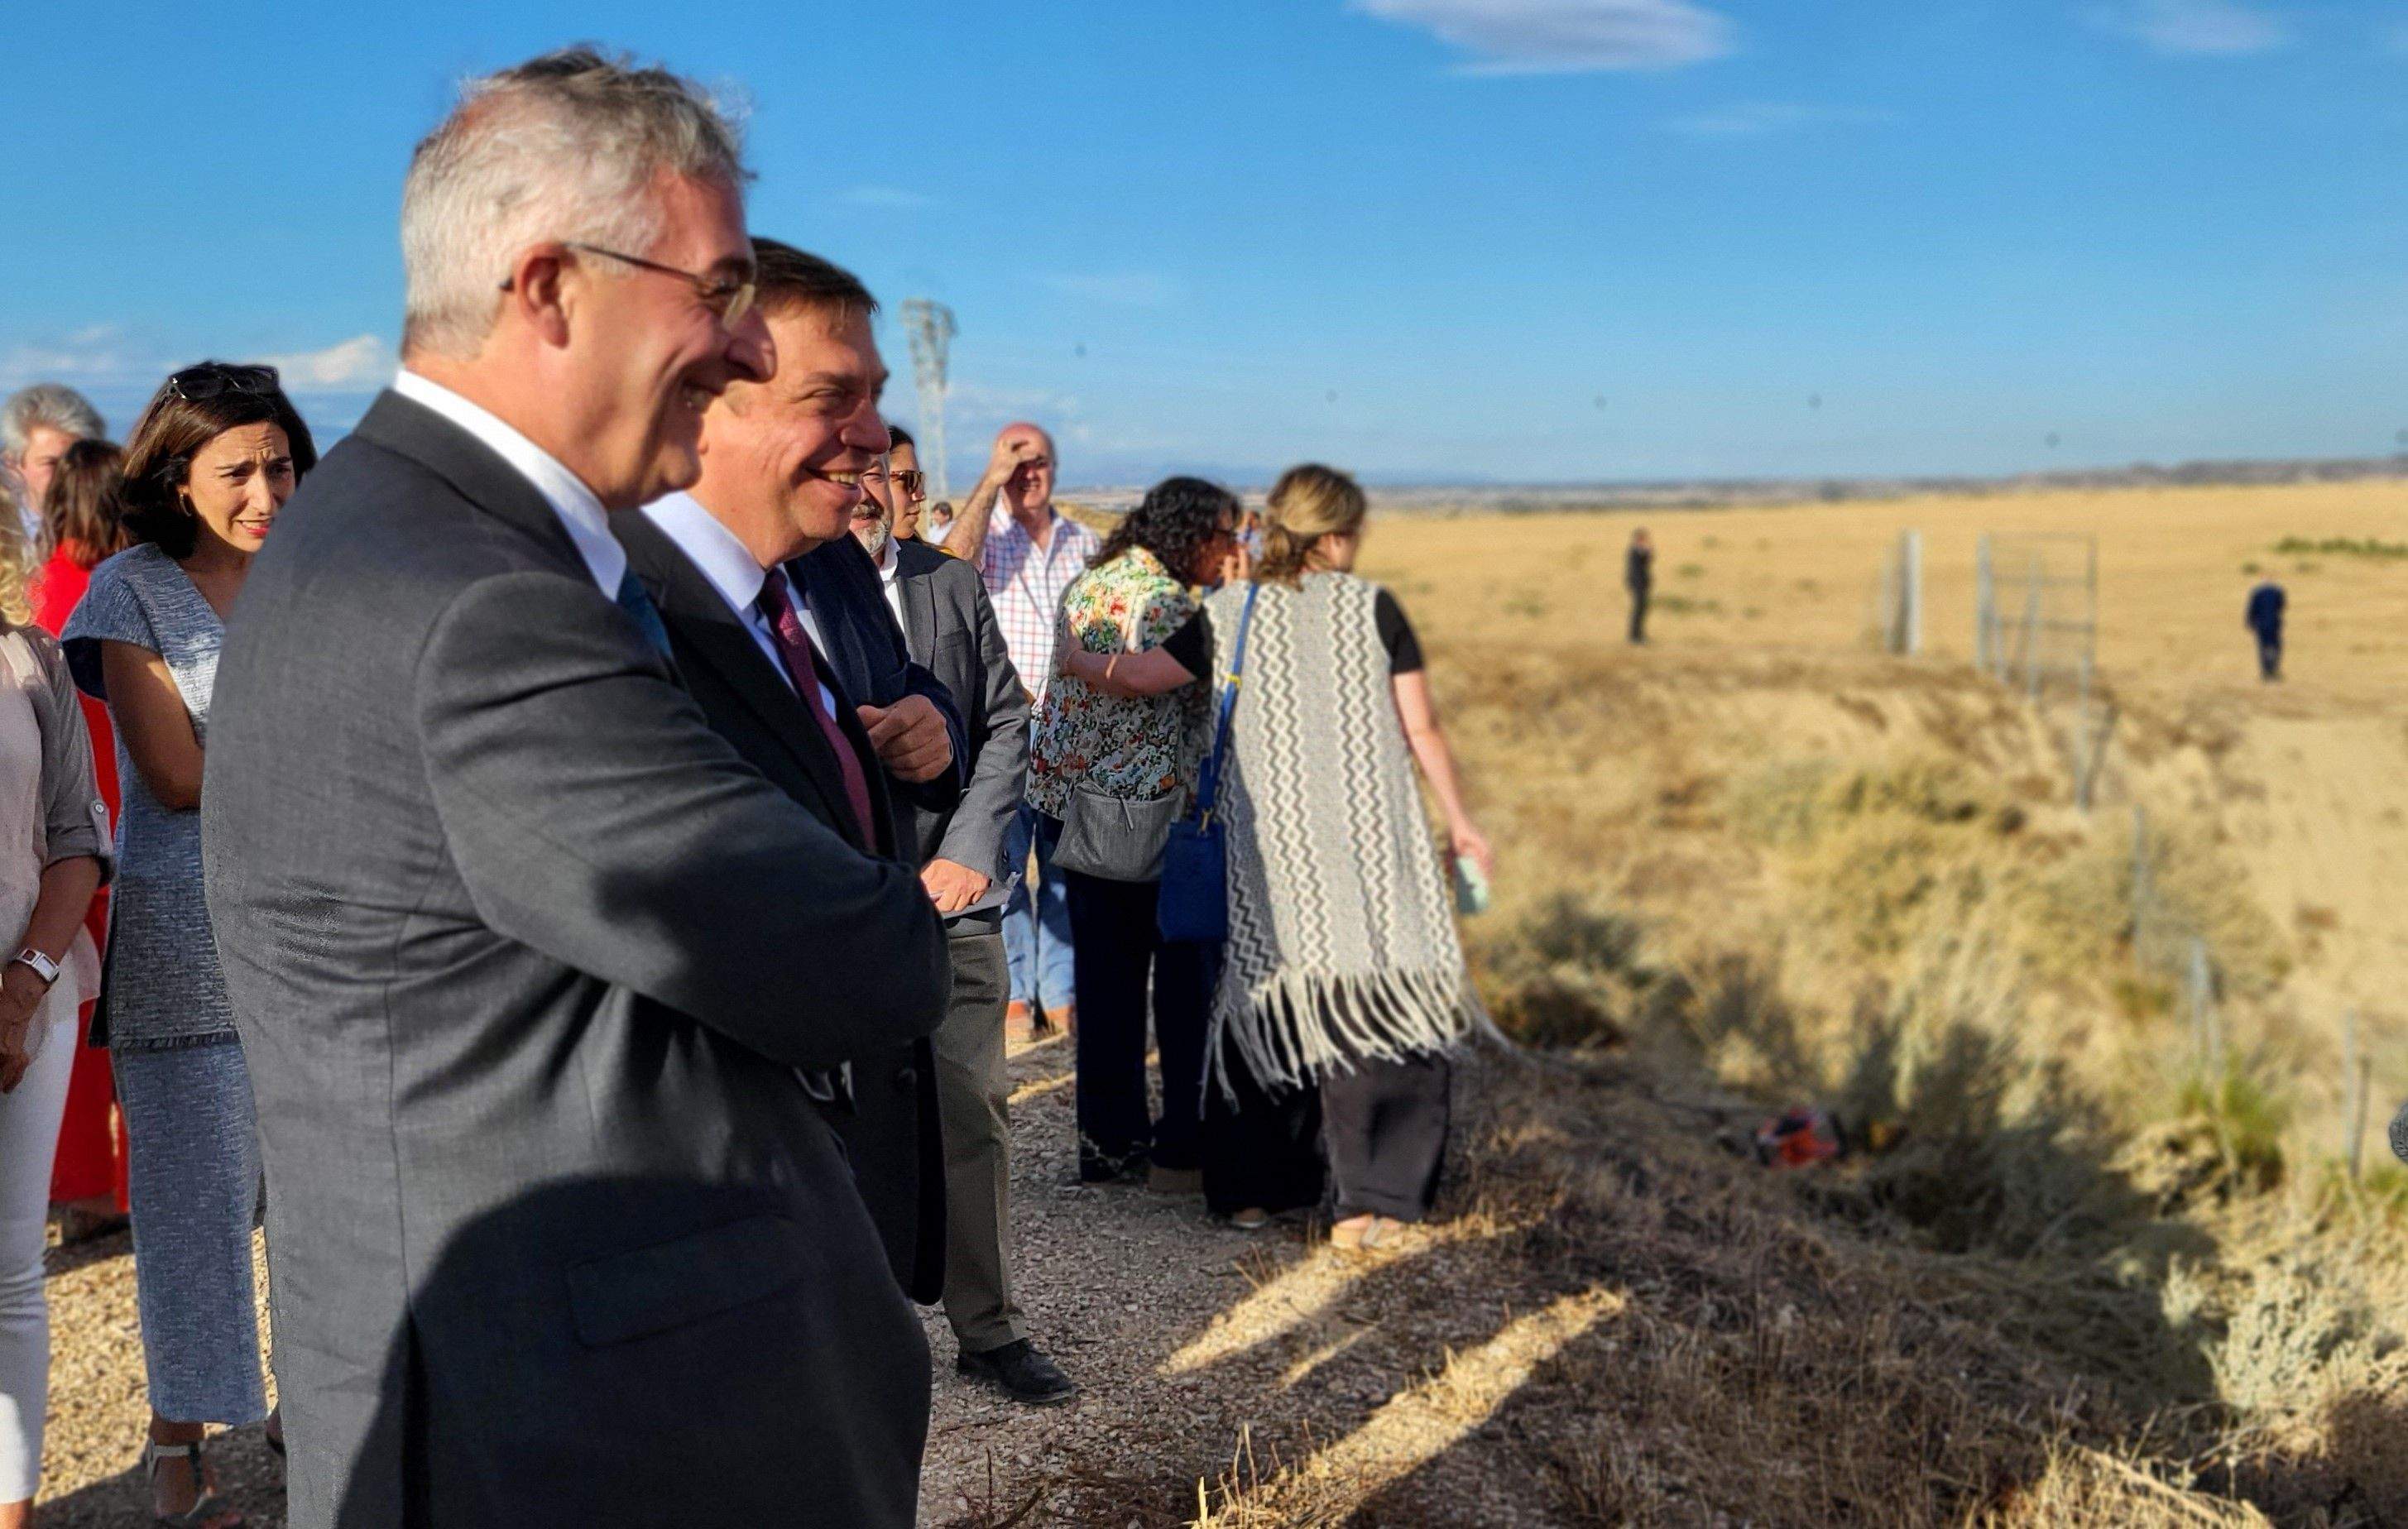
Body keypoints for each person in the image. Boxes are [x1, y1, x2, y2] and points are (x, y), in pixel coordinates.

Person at [199, 50, 950, 1527]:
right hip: (580, 1433)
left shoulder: (384, 523)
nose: (744, 351)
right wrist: (896, 905)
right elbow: (851, 958)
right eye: (719, 293)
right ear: (548, 286)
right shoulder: (481, 601)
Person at [613, 240, 963, 1310]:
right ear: (706, 403)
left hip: (841, 1176)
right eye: (832, 397)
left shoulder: (819, 567)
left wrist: (929, 728)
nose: (869, 437)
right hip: (722, 1217)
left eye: (875, 399)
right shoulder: (609, 606)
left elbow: (901, 690)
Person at [1060, 465, 1492, 1245]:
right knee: (1372, 997)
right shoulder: (1374, 607)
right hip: (1367, 839)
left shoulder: (1231, 611)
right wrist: (1462, 821)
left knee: (1263, 1001)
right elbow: (1421, 728)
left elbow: (1140, 676)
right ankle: (1374, 1205)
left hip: (1269, 847)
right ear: (1334, 535)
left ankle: (1254, 1193)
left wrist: (1081, 659)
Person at [64, 364, 312, 1527]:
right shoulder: (129, 590)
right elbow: (173, 777)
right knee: (197, 1209)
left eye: (280, 465)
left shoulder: (320, 581)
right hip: (189, 942)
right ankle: (179, 1442)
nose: (267, 490)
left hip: (324, 942)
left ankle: (312, 1408)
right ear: (176, 479)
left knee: (322, 1201)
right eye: (238, 472)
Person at [851, 429, 1077, 1404]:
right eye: (856, 471)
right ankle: (859, 1334)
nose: (870, 492)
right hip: (838, 910)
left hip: (954, 908)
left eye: (889, 478)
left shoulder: (948, 585)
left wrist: (967, 852)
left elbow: (1005, 722)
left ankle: (988, 1331)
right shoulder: (783, 595)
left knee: (976, 1111)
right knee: (847, 1128)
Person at [1027, 477, 1243, 1189]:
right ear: (1191, 536)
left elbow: (1070, 699)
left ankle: (1109, 1148)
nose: (1232, 551)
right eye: (1224, 536)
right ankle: (1180, 1147)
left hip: (1075, 813)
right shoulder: (1175, 605)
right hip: (1154, 825)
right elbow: (1149, 683)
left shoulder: (1090, 584)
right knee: (1181, 983)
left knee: (1106, 985)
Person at [0, 505, 112, 1529]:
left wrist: (25, 983)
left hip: (26, 1003)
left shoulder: (32, 659)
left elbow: (80, 832)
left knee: (10, 1274)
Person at [947, 423, 1096, 1038]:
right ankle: (1015, 995)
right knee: (1003, 870)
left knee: (1066, 872)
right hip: (1003, 733)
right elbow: (950, 565)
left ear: (1056, 468)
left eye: (1037, 462)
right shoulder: (985, 538)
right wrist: (991, 480)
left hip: (1074, 737)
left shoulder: (1085, 542)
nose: (1027, 473)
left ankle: (1061, 989)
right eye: (1016, 462)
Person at [31, 441, 131, 1244]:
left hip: (61, 843)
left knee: (77, 1021)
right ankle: (136, 1182)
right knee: (142, 1029)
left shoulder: (43, 592)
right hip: (129, 829)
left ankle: (83, 1189)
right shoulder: (129, 590)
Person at [0, 386, 103, 541]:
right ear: (12, 463)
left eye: (80, 461)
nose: (67, 472)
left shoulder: (119, 534)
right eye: (51, 463)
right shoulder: (6, 539)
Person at [2246, 578, 2286, 682]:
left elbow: (2251, 609)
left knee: (2263, 648)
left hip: (2261, 625)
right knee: (2276, 647)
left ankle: (2266, 671)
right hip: (2274, 624)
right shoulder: (2277, 592)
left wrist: (2250, 622)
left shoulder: (2257, 593)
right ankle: (2273, 669)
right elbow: (2281, 606)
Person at [1626, 527, 1654, 645]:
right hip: (1637, 584)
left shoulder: (1641, 551)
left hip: (1643, 584)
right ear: (1638, 539)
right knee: (1638, 610)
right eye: (1643, 539)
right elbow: (1636, 570)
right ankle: (1634, 636)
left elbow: (1648, 562)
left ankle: (1639, 634)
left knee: (1642, 610)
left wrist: (1648, 552)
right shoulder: (1634, 551)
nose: (1645, 541)